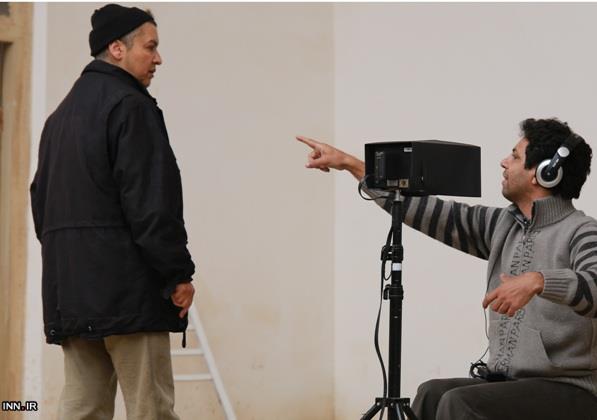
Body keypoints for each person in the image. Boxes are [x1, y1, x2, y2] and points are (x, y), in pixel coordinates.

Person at [297, 118, 597, 420]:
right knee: (431, 393)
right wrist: (350, 164)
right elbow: (432, 213)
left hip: (570, 388)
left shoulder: (582, 231)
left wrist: (537, 281)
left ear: (544, 172)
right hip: (512, 384)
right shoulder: (503, 226)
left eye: (515, 156)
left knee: (459, 402)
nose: (504, 162)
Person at [30, 4, 195, 419]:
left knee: (82, 410)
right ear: (117, 49)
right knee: (150, 410)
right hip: (129, 293)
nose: (158, 58)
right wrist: (177, 273)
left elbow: (41, 205)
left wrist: (73, 267)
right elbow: (152, 203)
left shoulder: (59, 117)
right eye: (150, 47)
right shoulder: (131, 106)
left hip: (73, 293)